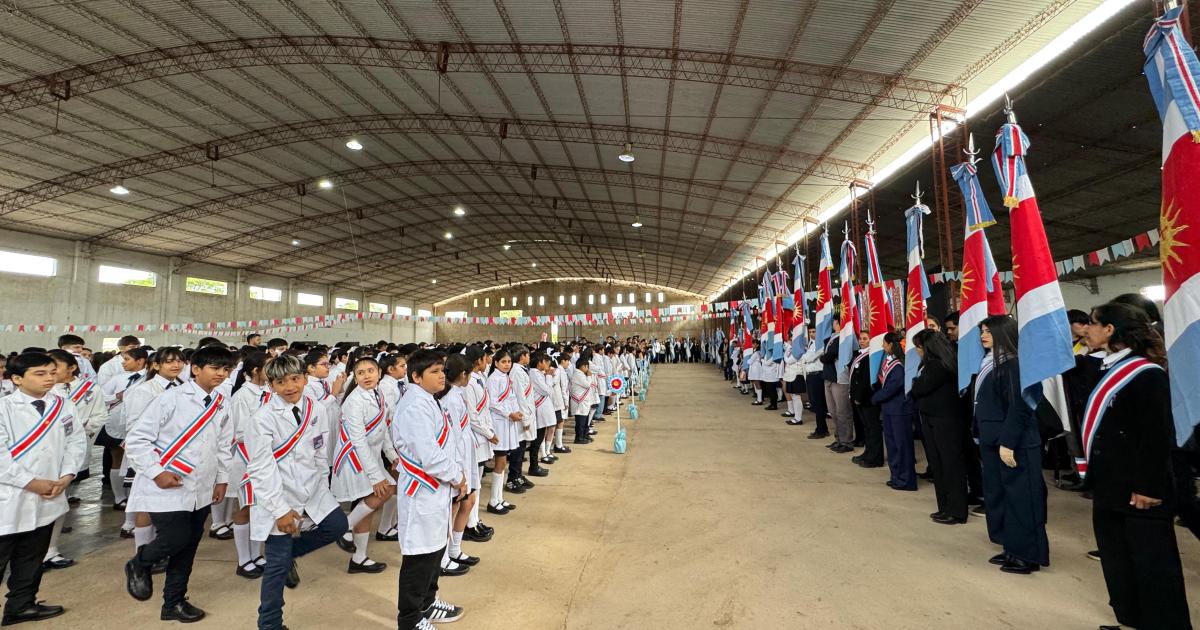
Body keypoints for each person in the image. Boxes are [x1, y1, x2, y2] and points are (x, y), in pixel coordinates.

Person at [1082, 302, 1192, 629]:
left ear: (1110, 330)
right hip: (1109, 484)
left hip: (1138, 489)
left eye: (1092, 323)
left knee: (1153, 566)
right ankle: (1132, 619)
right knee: (1118, 561)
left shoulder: (1147, 374)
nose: (1086, 329)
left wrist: (1148, 487)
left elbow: (1157, 438)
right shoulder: (1104, 367)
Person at [123, 346, 235, 622]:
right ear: (195, 369)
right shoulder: (171, 399)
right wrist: (156, 472)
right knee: (176, 538)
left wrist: (222, 480)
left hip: (202, 487)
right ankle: (140, 561)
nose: (221, 374)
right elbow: (137, 440)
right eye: (214, 368)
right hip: (168, 485)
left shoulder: (222, 401)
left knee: (187, 549)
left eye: (225, 369)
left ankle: (173, 602)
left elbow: (224, 444)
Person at [245, 353, 346, 630]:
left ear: (304, 378)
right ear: (271, 385)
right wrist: (280, 510)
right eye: (280, 382)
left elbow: (319, 449)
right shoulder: (263, 418)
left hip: (312, 487)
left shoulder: (316, 408)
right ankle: (269, 624)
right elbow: (261, 470)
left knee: (337, 525)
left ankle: (292, 553)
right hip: (278, 494)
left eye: (294, 379)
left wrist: (323, 485)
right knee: (276, 567)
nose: (289, 387)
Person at [0, 352, 84, 625]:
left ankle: (21, 606)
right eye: (40, 373)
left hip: (51, 492)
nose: (49, 378)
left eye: (51, 372)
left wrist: (67, 475)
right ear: (16, 379)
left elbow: (76, 442)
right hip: (10, 495)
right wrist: (30, 482)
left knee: (33, 556)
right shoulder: (4, 408)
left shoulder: (64, 405)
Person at [390, 350, 466, 629]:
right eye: (434, 371)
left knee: (435, 550)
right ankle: (410, 618)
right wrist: (458, 476)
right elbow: (429, 456)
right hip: (422, 490)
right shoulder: (415, 406)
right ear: (415, 376)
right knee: (419, 557)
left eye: (442, 370)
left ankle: (428, 603)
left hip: (436, 489)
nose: (442, 375)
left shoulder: (427, 400)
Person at [974, 315, 1049, 575]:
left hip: (1013, 442)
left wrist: (1008, 441)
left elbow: (1020, 407)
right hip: (993, 440)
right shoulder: (992, 362)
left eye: (989, 331)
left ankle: (1027, 555)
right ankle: (1011, 546)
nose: (983, 335)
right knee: (1001, 495)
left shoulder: (1014, 364)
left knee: (1021, 498)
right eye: (982, 331)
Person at [330, 356, 397, 574]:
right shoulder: (354, 401)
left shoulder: (379, 393)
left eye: (370, 371)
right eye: (361, 373)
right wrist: (376, 475)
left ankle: (358, 558)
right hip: (354, 459)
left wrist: (391, 454)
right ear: (355, 377)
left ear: (379, 373)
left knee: (367, 508)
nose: (367, 376)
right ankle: (344, 527)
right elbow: (357, 440)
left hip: (371, 456)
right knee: (384, 491)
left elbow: (383, 428)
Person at [44, 349, 107, 569]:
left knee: (59, 498)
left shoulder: (91, 389)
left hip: (73, 449)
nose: (49, 374)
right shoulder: (44, 391)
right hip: (44, 453)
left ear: (71, 367)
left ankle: (51, 550)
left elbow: (100, 416)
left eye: (54, 368)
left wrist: (79, 432)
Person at [909, 331, 968, 524]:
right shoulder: (931, 364)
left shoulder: (939, 365)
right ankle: (944, 507)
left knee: (950, 464)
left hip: (945, 421)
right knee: (938, 464)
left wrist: (915, 384)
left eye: (918, 347)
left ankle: (956, 510)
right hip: (931, 418)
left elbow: (919, 388)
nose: (916, 351)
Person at [228, 350, 271, 579]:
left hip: (264, 458)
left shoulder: (268, 393)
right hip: (245, 458)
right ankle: (243, 559)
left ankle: (257, 554)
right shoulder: (242, 397)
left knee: (260, 507)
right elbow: (240, 432)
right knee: (243, 508)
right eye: (268, 367)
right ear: (255, 371)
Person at [438, 354, 480, 577]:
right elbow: (452, 437)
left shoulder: (457, 394)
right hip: (457, 457)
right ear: (463, 374)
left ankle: (454, 549)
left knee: (468, 501)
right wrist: (459, 471)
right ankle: (444, 556)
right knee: (453, 507)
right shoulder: (450, 399)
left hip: (465, 452)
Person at [872, 333, 916, 491]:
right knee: (892, 444)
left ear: (891, 345)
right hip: (889, 409)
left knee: (901, 445)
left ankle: (907, 479)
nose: (883, 346)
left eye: (885, 343)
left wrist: (875, 398)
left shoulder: (899, 365)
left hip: (899, 410)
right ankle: (896, 476)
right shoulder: (889, 361)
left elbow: (893, 386)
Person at [485, 349, 522, 515]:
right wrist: (509, 413)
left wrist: (517, 411)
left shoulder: (506, 377)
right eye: (504, 362)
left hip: (509, 421)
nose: (507, 365)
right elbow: (492, 403)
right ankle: (493, 500)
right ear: (496, 363)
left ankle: (499, 498)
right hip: (500, 422)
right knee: (500, 462)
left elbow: (512, 397)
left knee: (503, 461)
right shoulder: (493, 379)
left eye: (509, 362)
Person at [848, 332, 883, 469]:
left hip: (868, 398)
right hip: (859, 397)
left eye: (865, 339)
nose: (862, 341)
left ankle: (876, 457)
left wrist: (859, 397)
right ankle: (868, 453)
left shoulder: (871, 357)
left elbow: (865, 380)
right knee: (867, 428)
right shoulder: (859, 354)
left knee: (873, 428)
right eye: (860, 338)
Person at [821, 319, 854, 452]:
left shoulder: (843, 338)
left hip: (839, 378)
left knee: (842, 411)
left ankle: (847, 441)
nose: (833, 325)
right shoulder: (832, 338)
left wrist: (824, 357)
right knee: (833, 411)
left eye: (835, 323)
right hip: (828, 377)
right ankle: (838, 438)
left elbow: (829, 355)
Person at [801, 326, 829, 438]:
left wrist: (805, 357)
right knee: (814, 403)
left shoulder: (820, 344)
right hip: (811, 376)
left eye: (814, 331)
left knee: (819, 404)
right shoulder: (811, 344)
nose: (812, 334)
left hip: (817, 375)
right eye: (810, 332)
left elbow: (809, 358)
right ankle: (821, 428)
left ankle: (821, 430)